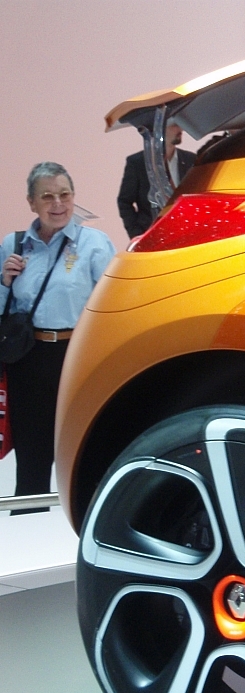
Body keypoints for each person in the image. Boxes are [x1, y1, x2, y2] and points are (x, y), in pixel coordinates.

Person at [0, 163, 115, 512]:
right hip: (29, 359)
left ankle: (92, 526)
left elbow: (112, 305)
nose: (58, 204)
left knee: (86, 450)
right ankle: (27, 527)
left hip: (76, 356)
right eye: (47, 196)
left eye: (65, 194)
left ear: (73, 197)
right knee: (32, 458)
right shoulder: (14, 245)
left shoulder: (95, 244)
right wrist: (5, 281)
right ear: (31, 202)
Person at [116, 120, 196, 238]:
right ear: (159, 129)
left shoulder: (191, 159)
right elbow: (124, 202)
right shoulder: (137, 162)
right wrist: (136, 234)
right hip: (152, 234)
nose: (181, 130)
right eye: (175, 125)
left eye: (180, 125)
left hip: (185, 232)